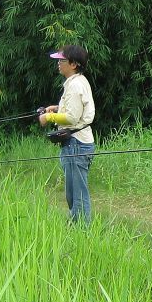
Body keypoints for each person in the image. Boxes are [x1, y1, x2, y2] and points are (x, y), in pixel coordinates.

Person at [38, 44, 96, 224]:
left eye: (62, 60)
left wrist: (49, 116)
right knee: (73, 192)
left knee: (78, 194)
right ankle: (76, 227)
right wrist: (57, 108)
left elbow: (71, 118)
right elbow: (75, 110)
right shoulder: (78, 81)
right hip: (76, 143)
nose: (58, 63)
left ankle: (82, 232)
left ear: (73, 64)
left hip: (76, 145)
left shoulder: (75, 85)